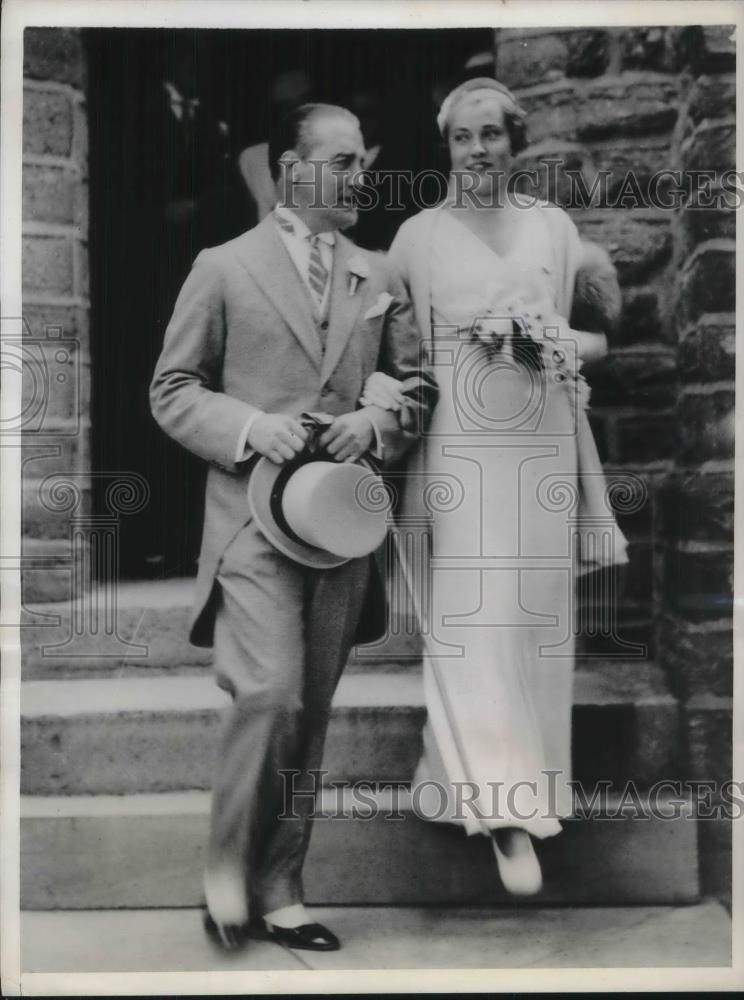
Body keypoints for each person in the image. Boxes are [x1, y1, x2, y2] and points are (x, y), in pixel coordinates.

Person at [150, 102, 436, 952]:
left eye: (362, 162)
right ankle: (225, 873)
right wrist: (248, 427)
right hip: (250, 524)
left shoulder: (376, 271)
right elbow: (172, 388)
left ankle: (281, 890)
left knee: (308, 710)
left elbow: (415, 389)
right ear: (290, 168)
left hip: (341, 529)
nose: (360, 177)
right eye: (342, 161)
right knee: (269, 691)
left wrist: (377, 428)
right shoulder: (224, 265)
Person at [361, 78, 628, 895]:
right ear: (446, 150)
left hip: (544, 445)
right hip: (461, 453)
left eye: (492, 135)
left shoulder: (554, 228)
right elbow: (379, 337)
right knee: (476, 619)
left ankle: (518, 788)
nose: (478, 150)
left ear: (518, 141)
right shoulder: (417, 235)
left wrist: (549, 337)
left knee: (534, 623)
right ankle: (505, 820)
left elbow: (599, 342)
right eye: (463, 138)